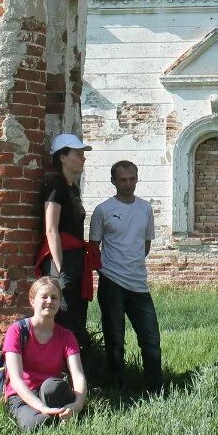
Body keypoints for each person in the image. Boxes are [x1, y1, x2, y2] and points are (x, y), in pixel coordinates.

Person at [89, 159, 163, 394]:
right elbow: (94, 246)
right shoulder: (103, 210)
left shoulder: (145, 208)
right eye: (123, 180)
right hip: (111, 281)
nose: (128, 184)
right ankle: (118, 386)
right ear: (113, 181)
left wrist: (132, 264)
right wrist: (110, 269)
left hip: (139, 283)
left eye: (132, 179)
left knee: (151, 339)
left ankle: (155, 387)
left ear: (137, 179)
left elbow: (146, 244)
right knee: (115, 340)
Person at [2, 277, 88, 431]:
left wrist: (77, 404)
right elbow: (15, 379)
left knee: (53, 386)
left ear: (60, 302)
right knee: (33, 426)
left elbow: (78, 375)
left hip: (50, 392)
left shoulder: (66, 336)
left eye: (54, 297)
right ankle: (53, 418)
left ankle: (64, 414)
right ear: (32, 300)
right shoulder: (16, 331)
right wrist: (42, 407)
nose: (50, 301)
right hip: (22, 396)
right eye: (44, 297)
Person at [36, 133, 98, 350]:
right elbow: (51, 230)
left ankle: (78, 365)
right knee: (64, 312)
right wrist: (60, 270)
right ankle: (61, 370)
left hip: (75, 258)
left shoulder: (73, 188)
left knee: (77, 312)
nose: (83, 158)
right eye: (78, 153)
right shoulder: (55, 186)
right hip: (61, 259)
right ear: (62, 157)